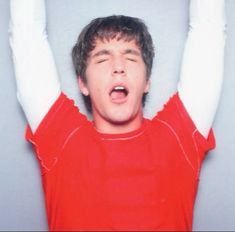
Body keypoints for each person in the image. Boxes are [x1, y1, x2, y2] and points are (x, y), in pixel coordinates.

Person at [9, 0, 226, 230]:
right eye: (102, 59)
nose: (118, 66)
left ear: (147, 82)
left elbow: (208, 27)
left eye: (131, 58)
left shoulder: (178, 137)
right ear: (83, 84)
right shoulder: (62, 138)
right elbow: (27, 32)